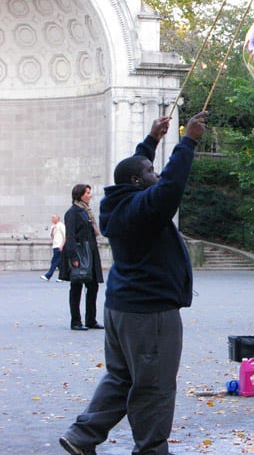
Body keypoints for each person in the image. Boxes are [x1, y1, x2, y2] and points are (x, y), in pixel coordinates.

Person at [59, 111, 207, 455]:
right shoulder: (143, 208)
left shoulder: (116, 201)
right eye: (149, 172)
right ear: (139, 183)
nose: (154, 174)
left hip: (121, 310)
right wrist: (188, 142)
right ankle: (151, 450)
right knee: (154, 387)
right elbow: (169, 188)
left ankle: (82, 437)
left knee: (120, 378)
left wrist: (152, 140)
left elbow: (135, 172)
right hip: (149, 314)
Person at [60, 184, 104, 331]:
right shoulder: (73, 212)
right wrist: (73, 257)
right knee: (76, 286)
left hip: (90, 252)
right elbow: (70, 235)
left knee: (93, 286)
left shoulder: (86, 211)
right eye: (87, 193)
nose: (90, 195)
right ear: (80, 195)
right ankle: (76, 321)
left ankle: (91, 319)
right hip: (79, 253)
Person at [41, 214, 65, 281]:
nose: (52, 219)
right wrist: (52, 230)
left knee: (54, 261)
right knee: (59, 263)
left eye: (54, 217)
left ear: (58, 218)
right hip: (55, 245)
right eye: (52, 217)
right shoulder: (53, 226)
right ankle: (63, 276)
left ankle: (48, 275)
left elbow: (65, 236)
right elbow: (52, 237)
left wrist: (62, 245)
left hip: (59, 246)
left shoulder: (61, 225)